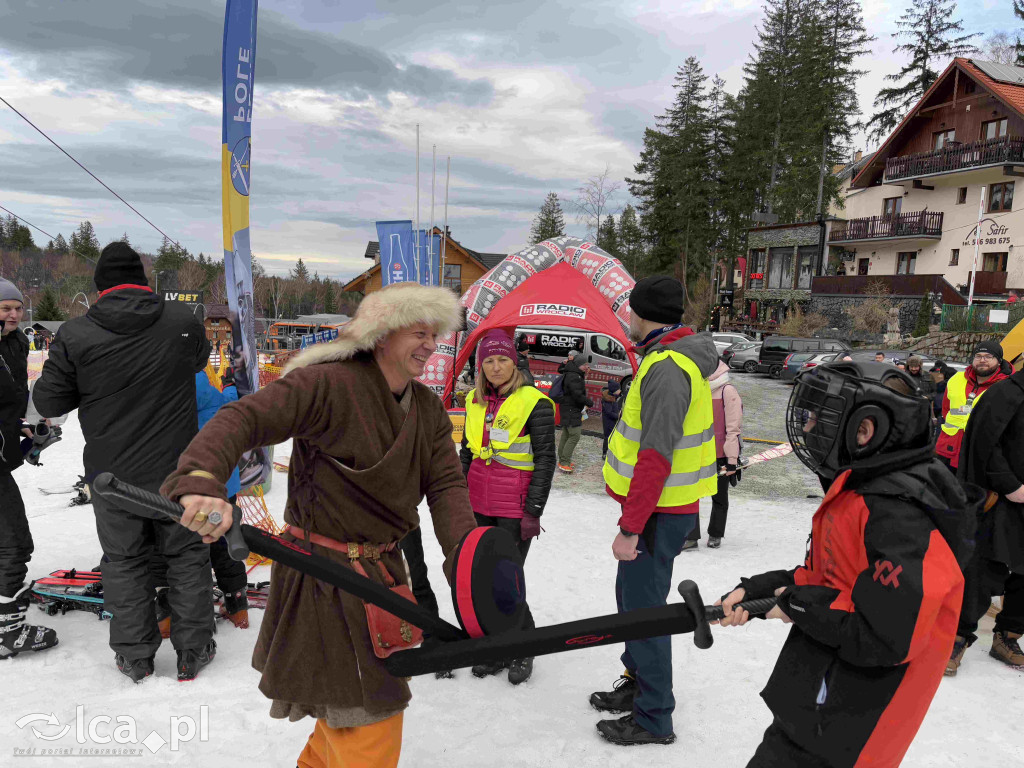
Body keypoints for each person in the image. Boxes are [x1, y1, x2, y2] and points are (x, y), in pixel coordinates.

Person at [160, 282, 476, 768]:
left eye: (434, 335)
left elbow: (449, 487)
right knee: (368, 715)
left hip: (384, 576)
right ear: (382, 334)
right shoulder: (326, 384)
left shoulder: (428, 409)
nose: (431, 346)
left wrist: (471, 559)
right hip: (324, 577)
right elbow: (242, 418)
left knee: (347, 719)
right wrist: (201, 479)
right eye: (419, 332)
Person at [717, 361, 981, 768]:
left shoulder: (901, 517)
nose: (806, 431)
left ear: (865, 430)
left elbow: (885, 636)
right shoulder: (860, 486)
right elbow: (829, 577)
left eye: (817, 421)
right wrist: (757, 590)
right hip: (813, 705)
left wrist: (796, 603)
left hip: (851, 729)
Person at [32, 242, 213, 682]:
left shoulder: (76, 334)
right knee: (187, 556)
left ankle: (135, 657)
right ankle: (194, 650)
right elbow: (198, 361)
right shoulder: (183, 322)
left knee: (125, 561)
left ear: (98, 289)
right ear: (144, 282)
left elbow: (49, 400)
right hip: (179, 470)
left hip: (113, 477)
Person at [592, 275, 719, 746]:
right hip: (657, 511)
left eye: (629, 311)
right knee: (633, 605)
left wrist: (631, 527)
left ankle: (653, 718)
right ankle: (639, 685)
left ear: (642, 314)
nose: (627, 318)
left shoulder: (666, 367)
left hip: (655, 514)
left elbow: (656, 457)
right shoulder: (670, 358)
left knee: (644, 613)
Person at [459, 329, 555, 684]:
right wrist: (457, 497)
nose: (495, 367)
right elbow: (467, 452)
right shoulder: (474, 401)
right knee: (482, 578)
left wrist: (534, 509)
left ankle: (523, 646)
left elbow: (546, 459)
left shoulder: (535, 402)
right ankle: (497, 647)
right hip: (477, 502)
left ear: (514, 363)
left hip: (514, 506)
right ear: (480, 365)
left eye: (502, 360)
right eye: (488, 360)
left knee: (508, 580)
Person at [152, 370, 250, 635]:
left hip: (178, 488)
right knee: (223, 540)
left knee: (167, 546)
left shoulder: (159, 391)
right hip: (220, 484)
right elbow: (231, 403)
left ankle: (166, 613)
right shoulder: (208, 392)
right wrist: (231, 384)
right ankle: (237, 602)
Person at [948, 367, 1024, 674]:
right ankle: (956, 637)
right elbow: (983, 444)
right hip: (1000, 499)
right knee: (980, 570)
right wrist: (1011, 485)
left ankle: (1007, 636)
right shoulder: (1006, 393)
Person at [0, 277, 58, 658]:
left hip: (4, 450)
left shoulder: (18, 343)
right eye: (6, 308)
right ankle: (7, 633)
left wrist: (24, 426)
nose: (14, 314)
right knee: (14, 542)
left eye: (18, 308)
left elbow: (10, 400)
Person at [683, 358, 743, 551]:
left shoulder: (728, 391)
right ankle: (691, 536)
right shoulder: (697, 388)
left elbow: (733, 429)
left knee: (719, 496)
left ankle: (715, 533)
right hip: (697, 452)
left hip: (720, 455)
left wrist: (732, 460)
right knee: (690, 494)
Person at [935, 341, 1011, 471]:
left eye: (988, 356)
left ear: (999, 361)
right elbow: (947, 410)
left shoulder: (1007, 386)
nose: (982, 360)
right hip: (948, 451)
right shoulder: (956, 378)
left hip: (982, 458)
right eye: (978, 356)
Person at [556, 349, 593, 473]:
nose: (587, 367)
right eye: (585, 365)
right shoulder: (574, 376)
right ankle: (564, 461)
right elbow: (577, 395)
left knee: (566, 434)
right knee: (574, 435)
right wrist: (588, 402)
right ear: (579, 365)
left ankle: (562, 459)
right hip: (571, 409)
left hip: (568, 408)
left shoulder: (572, 373)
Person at [600, 378, 622, 458]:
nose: (620, 390)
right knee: (608, 437)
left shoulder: (614, 397)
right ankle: (605, 453)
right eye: (619, 389)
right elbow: (609, 412)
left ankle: (610, 452)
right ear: (614, 390)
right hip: (608, 422)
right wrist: (618, 416)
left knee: (612, 436)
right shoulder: (608, 400)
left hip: (612, 421)